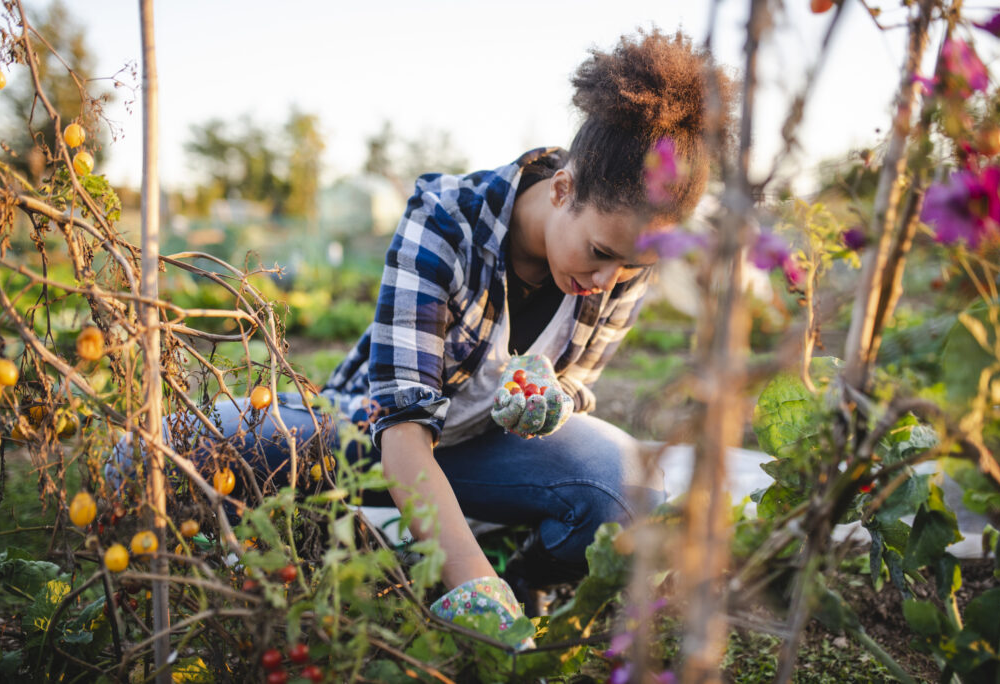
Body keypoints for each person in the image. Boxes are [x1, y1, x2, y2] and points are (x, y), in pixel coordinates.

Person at [115, 28, 731, 638]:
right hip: (363, 439)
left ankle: (520, 578)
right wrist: (473, 587)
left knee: (628, 491)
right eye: (601, 254)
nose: (609, 279)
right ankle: (465, 576)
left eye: (633, 266)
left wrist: (554, 400)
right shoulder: (446, 220)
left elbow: (573, 388)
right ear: (563, 189)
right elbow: (403, 435)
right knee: (151, 455)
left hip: (481, 451)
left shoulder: (623, 259)